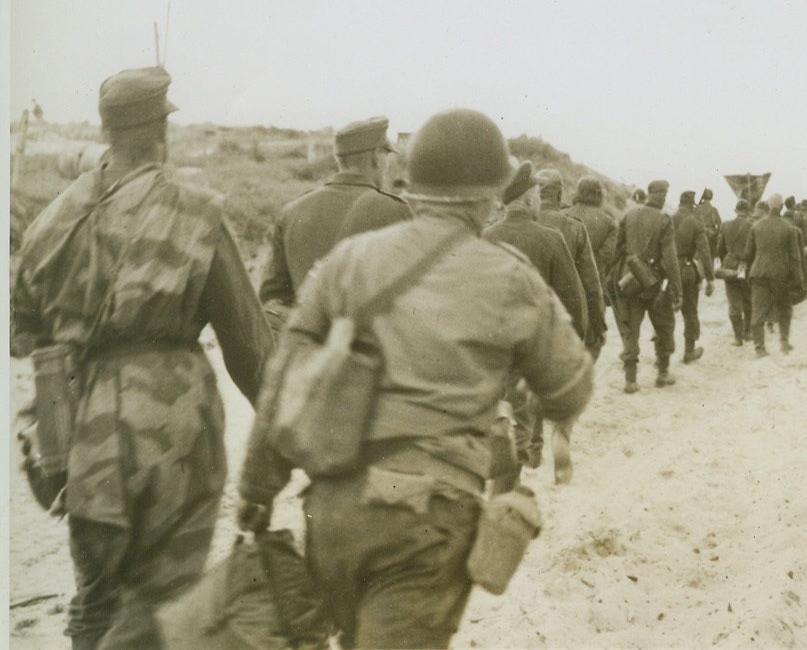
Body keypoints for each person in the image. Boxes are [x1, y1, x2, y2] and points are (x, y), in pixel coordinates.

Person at [238, 108, 593, 650]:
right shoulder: (508, 276)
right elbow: (570, 387)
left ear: (413, 181)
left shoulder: (347, 262)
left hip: (334, 509)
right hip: (428, 515)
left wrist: (257, 491)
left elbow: (284, 384)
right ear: (492, 193)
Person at [11, 67, 273, 650]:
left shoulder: (50, 222)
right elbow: (251, 350)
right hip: (172, 433)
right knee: (164, 605)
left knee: (96, 596)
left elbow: (22, 337)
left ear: (105, 130)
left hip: (73, 428)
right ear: (162, 130)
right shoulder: (196, 211)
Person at [484, 162, 587, 484]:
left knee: (504, 419)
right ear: (529, 200)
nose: (540, 202)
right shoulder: (551, 239)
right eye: (537, 196)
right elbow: (574, 301)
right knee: (519, 430)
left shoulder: (484, 237)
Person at [259, 116, 411, 333]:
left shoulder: (292, 211)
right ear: (377, 157)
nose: (387, 165)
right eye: (386, 155)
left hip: (310, 355)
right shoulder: (395, 211)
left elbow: (271, 299)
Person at [611, 179, 683, 393]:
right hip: (656, 284)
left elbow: (617, 249)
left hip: (630, 280)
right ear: (660, 194)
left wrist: (614, 276)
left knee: (630, 327)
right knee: (664, 325)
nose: (664, 198)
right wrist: (678, 289)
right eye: (665, 194)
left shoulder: (628, 214)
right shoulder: (664, 219)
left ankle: (630, 380)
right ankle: (662, 373)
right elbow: (670, 259)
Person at [535, 168, 604, 358]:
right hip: (562, 317)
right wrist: (597, 325)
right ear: (559, 194)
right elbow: (590, 283)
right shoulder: (574, 227)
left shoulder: (518, 223)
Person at [563, 175, 619, 354]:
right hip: (593, 285)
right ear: (599, 194)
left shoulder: (563, 214)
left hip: (563, 282)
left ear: (579, 192)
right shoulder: (609, 222)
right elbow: (607, 256)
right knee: (592, 339)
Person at [746, 193, 805, 356]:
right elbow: (795, 257)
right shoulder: (789, 228)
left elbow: (748, 254)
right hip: (780, 274)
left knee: (757, 311)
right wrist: (798, 280)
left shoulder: (756, 226)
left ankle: (759, 348)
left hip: (758, 273)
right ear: (781, 208)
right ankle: (784, 342)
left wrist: (749, 275)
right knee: (785, 308)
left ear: (769, 206)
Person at [671, 190, 715, 363]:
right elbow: (705, 252)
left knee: (664, 313)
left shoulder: (668, 219)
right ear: (692, 204)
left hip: (667, 270)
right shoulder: (696, 223)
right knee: (690, 312)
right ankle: (689, 352)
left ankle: (662, 355)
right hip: (687, 271)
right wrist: (710, 278)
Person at [715, 199, 755, 345]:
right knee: (748, 299)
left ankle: (737, 338)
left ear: (736, 210)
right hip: (745, 265)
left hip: (729, 263)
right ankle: (747, 332)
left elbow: (720, 248)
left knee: (733, 301)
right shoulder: (752, 226)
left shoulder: (726, 225)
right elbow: (754, 250)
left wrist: (726, 261)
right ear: (748, 211)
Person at [695, 188, 723, 266]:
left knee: (699, 259)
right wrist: (716, 233)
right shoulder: (714, 209)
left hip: (699, 235)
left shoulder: (697, 208)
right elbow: (720, 224)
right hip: (711, 237)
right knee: (710, 260)